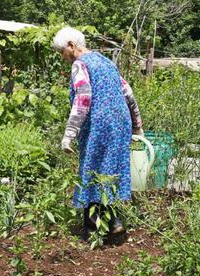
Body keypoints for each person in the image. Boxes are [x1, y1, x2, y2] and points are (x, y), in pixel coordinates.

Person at [53, 27, 143, 239]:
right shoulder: (105, 61)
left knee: (91, 170)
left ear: (71, 46)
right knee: (108, 170)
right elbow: (127, 92)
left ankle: (94, 228)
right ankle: (112, 223)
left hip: (100, 122)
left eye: (61, 52)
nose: (62, 57)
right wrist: (137, 124)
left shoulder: (80, 64)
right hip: (121, 121)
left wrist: (69, 133)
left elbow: (83, 97)